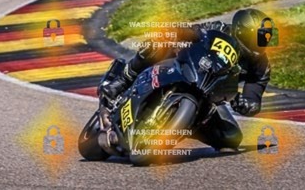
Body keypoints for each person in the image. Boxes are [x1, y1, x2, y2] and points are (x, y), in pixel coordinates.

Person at [100, 8, 274, 150]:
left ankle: (181, 125)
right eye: (259, 38)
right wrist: (177, 31)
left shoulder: (261, 65)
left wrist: (247, 104)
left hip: (210, 97)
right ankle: (122, 81)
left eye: (266, 39)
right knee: (161, 42)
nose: (263, 43)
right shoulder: (219, 28)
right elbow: (194, 32)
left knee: (231, 138)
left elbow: (254, 97)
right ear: (243, 32)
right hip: (183, 67)